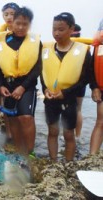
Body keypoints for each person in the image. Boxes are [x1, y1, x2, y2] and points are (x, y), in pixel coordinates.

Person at [41, 12, 91, 161]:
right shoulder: (46, 49)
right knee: (52, 131)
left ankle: (68, 163)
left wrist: (66, 92)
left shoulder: (83, 51)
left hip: (69, 100)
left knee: (69, 133)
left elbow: (85, 79)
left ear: (71, 29)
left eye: (61, 29)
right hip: (50, 99)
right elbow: (42, 74)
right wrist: (45, 89)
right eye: (54, 29)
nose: (56, 33)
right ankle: (53, 161)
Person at [0, 7, 41, 156]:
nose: (20, 27)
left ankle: (30, 152)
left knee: (26, 117)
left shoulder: (35, 42)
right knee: (12, 119)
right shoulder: (1, 41)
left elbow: (38, 68)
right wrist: (0, 85)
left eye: (25, 24)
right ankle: (20, 152)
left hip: (27, 86)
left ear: (30, 25)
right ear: (12, 22)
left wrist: (22, 87)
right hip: (7, 85)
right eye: (18, 23)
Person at [0, 2, 19, 136]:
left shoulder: (23, 35)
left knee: (13, 107)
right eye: (6, 14)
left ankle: (11, 133)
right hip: (0, 77)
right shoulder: (0, 35)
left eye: (12, 14)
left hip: (16, 77)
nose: (9, 17)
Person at [70, 24, 87, 144]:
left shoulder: (69, 47)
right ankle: (78, 135)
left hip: (72, 82)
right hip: (81, 83)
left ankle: (70, 134)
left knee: (68, 109)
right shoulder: (84, 47)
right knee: (78, 109)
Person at [89, 19, 103, 154]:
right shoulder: (99, 47)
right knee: (101, 122)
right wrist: (94, 87)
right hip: (102, 89)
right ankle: (92, 158)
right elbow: (92, 67)